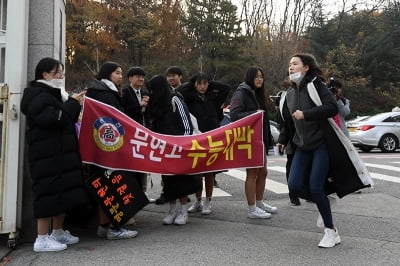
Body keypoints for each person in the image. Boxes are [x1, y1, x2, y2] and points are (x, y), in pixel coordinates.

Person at [21, 57, 88, 252]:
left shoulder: (57, 94)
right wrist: (74, 103)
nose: (61, 76)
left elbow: (66, 119)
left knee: (63, 191)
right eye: (58, 72)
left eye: (62, 72)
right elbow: (54, 119)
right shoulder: (37, 95)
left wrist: (74, 103)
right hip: (46, 154)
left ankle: (57, 232)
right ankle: (41, 239)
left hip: (60, 153)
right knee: (47, 192)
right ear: (45, 74)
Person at [277, 53, 341, 248]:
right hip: (302, 146)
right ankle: (324, 202)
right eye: (289, 64)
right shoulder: (287, 94)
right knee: (294, 186)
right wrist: (283, 139)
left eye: (295, 64)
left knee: (315, 186)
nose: (291, 67)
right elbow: (289, 122)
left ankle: (331, 232)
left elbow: (332, 107)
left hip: (321, 144)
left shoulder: (316, 86)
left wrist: (306, 114)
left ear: (306, 68)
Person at [85, 61, 138, 239]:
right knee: (112, 187)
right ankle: (115, 229)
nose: (120, 76)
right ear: (107, 74)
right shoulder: (105, 94)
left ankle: (104, 226)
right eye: (117, 73)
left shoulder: (98, 91)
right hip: (109, 148)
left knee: (104, 189)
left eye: (121, 73)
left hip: (99, 149)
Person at [146, 75, 201, 225]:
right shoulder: (157, 103)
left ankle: (183, 211)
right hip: (164, 148)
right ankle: (172, 210)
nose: (151, 93)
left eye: (153, 90)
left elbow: (187, 124)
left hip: (179, 147)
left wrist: (181, 144)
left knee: (181, 180)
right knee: (168, 180)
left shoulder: (174, 99)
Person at [178, 73, 230, 215]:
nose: (202, 87)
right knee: (196, 172)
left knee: (209, 172)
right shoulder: (189, 97)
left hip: (212, 136)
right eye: (199, 84)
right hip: (196, 137)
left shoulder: (213, 97)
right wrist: (192, 81)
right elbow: (180, 91)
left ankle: (208, 202)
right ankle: (198, 200)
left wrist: (210, 83)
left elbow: (226, 87)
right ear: (194, 85)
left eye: (205, 84)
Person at [229, 66, 277, 219]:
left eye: (261, 77)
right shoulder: (241, 92)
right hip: (249, 140)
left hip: (259, 139)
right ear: (249, 77)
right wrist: (254, 113)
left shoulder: (257, 94)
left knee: (263, 172)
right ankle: (252, 209)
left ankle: (259, 202)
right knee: (252, 173)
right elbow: (234, 114)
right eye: (256, 76)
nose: (259, 79)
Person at [121, 67, 155, 203]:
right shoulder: (124, 92)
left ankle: (143, 192)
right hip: (129, 134)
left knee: (143, 164)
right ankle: (133, 194)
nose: (141, 79)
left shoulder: (145, 92)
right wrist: (138, 105)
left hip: (143, 133)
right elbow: (122, 112)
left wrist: (147, 106)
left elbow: (147, 113)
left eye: (142, 77)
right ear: (130, 78)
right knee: (132, 165)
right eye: (137, 76)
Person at [154, 66, 185, 205]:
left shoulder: (177, 96)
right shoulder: (159, 99)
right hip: (164, 143)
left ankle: (183, 207)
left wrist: (185, 140)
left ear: (180, 76)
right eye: (169, 76)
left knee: (180, 175)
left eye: (174, 75)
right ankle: (167, 197)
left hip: (178, 142)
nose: (171, 78)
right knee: (167, 174)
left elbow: (186, 122)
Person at [274, 80, 300, 206]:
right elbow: (286, 122)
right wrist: (282, 140)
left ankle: (309, 192)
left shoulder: (311, 90)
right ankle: (293, 193)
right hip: (292, 137)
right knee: (292, 163)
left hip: (310, 138)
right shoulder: (285, 97)